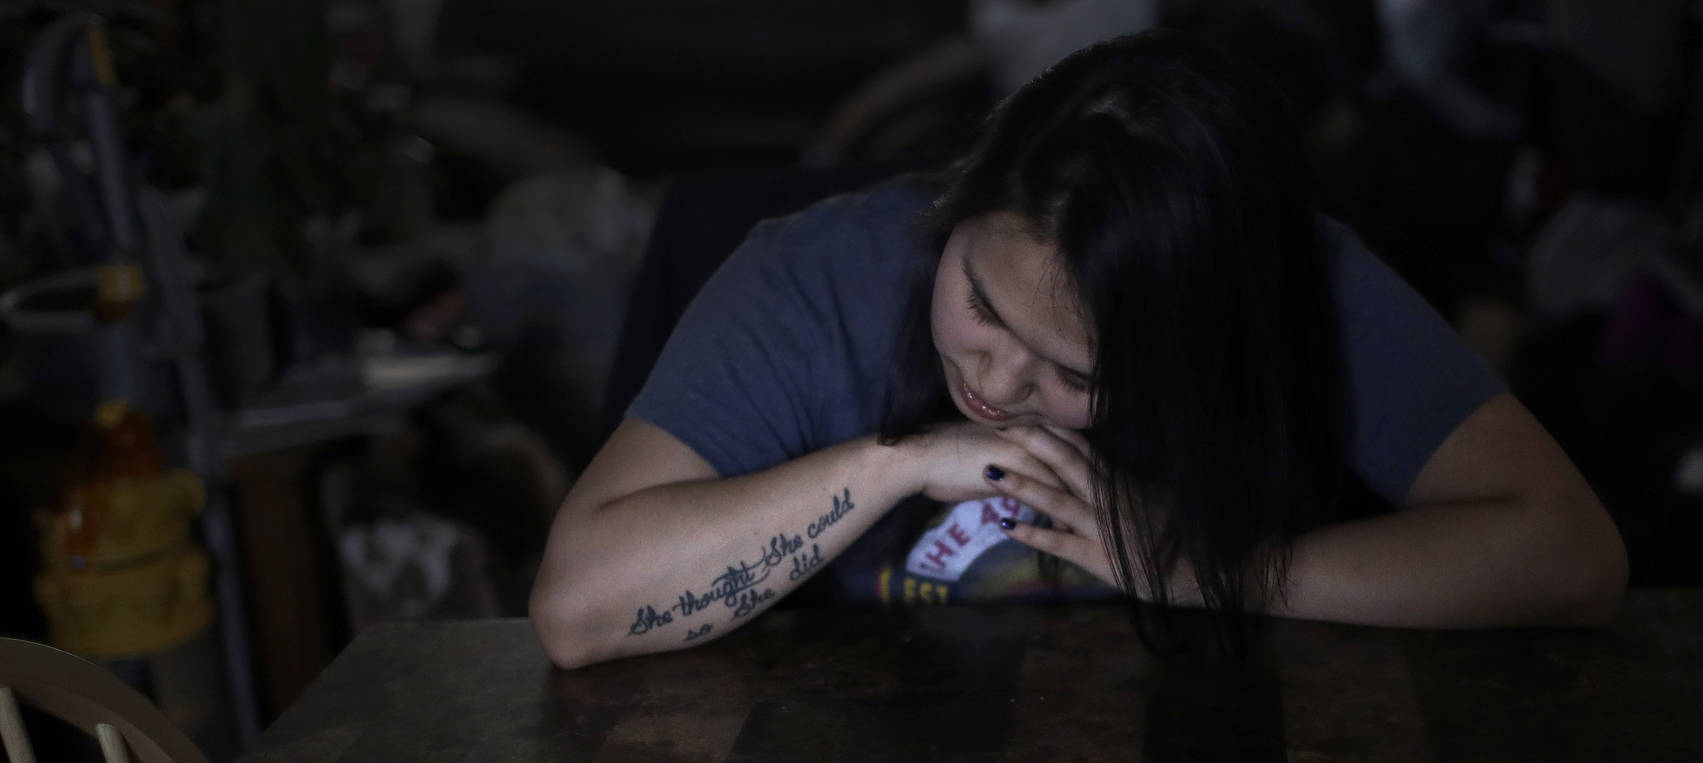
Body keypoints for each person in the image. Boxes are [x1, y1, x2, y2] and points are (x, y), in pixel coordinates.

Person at [530, 30, 1626, 669]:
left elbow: (1568, 555)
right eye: (983, 308)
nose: (998, 387)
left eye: (1077, 375)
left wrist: (1206, 569)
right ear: (961, 204)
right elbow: (578, 609)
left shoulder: (1296, 282)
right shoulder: (811, 281)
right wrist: (893, 465)